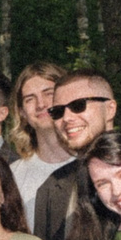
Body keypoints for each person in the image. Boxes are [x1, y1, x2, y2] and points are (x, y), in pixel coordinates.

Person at [29, 70, 119, 240]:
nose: (67, 118)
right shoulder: (53, 188)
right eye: (58, 112)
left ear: (110, 109)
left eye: (78, 105)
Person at [10, 64, 72, 209]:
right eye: (30, 99)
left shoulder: (92, 164)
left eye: (48, 93)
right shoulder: (14, 176)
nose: (40, 104)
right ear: (22, 113)